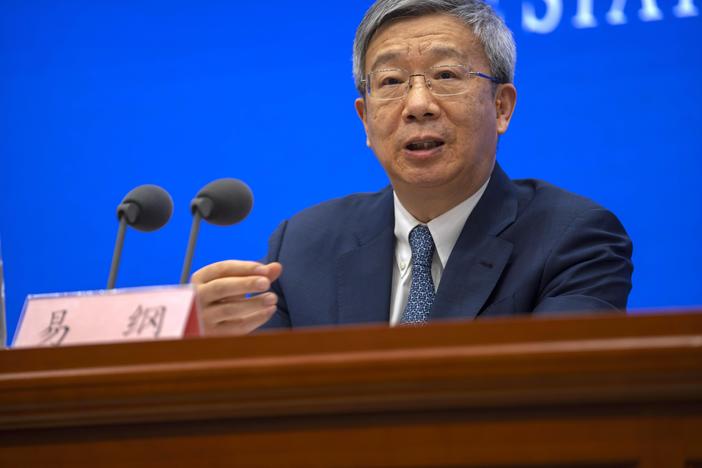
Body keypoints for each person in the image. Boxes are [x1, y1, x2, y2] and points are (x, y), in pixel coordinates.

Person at [192, 0, 633, 335]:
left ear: (501, 107)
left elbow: (557, 394)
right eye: (391, 82)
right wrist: (211, 344)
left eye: (445, 75)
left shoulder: (574, 238)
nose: (418, 105)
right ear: (365, 119)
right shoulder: (303, 246)